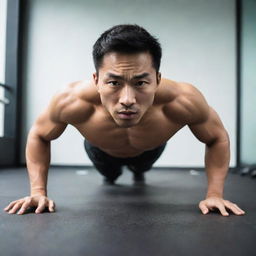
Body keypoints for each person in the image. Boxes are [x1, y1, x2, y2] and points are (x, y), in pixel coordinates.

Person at [4, 24, 245, 217]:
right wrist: (37, 192)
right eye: (114, 83)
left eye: (140, 83)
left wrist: (215, 194)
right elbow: (39, 134)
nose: (127, 99)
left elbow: (216, 137)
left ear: (158, 79)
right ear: (96, 79)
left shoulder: (183, 99)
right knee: (110, 177)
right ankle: (112, 172)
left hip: (151, 149)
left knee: (142, 167)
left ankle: (139, 170)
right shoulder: (71, 100)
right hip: (100, 149)